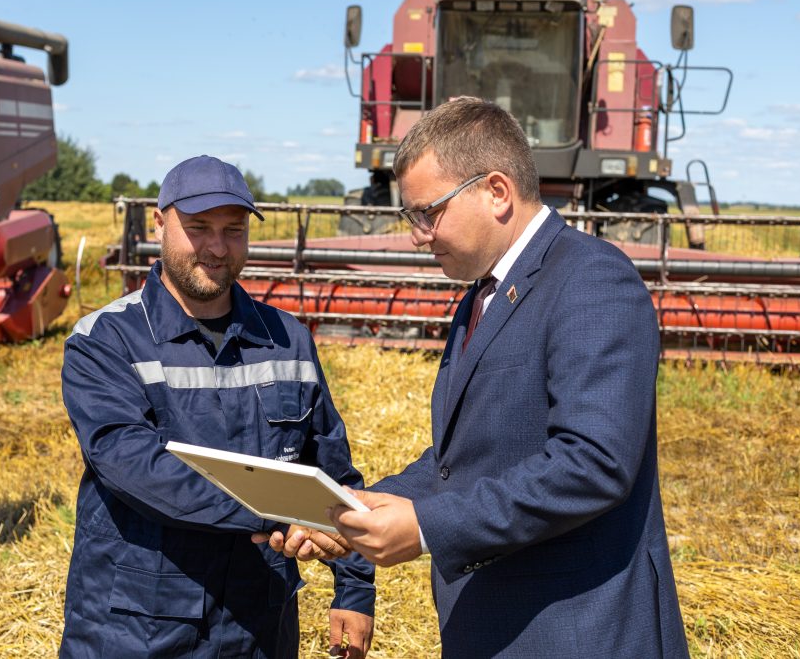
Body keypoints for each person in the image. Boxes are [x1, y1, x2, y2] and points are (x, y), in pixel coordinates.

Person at [277, 98, 689, 656]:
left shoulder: (592, 279)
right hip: (498, 624)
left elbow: (594, 464)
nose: (419, 236)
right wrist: (359, 510)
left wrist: (425, 527)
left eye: (429, 212)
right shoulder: (482, 295)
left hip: (576, 630)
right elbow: (465, 457)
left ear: (496, 191)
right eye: (410, 218)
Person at [60, 155, 375, 658]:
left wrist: (355, 587)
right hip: (138, 625)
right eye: (199, 227)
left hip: (259, 622)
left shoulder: (286, 339)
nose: (216, 246)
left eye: (233, 230)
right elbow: (136, 467)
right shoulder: (107, 340)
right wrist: (273, 516)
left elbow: (332, 468)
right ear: (159, 224)